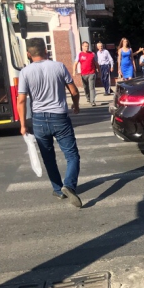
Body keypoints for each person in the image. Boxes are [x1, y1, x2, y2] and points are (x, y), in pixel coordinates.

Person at [17, 38, 83, 208]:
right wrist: (75, 105)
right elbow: (74, 91)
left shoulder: (25, 72)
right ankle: (69, 185)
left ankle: (58, 189)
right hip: (60, 117)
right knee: (72, 155)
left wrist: (23, 125)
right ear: (46, 51)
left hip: (39, 119)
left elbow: (21, 100)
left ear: (28, 54)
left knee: (48, 158)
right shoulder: (59, 66)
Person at [73, 41, 99, 107]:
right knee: (85, 87)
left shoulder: (92, 54)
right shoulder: (79, 54)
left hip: (91, 73)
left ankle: (92, 101)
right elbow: (75, 63)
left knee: (91, 87)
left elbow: (96, 63)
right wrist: (74, 71)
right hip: (83, 74)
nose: (86, 47)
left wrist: (98, 70)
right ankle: (88, 97)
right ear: (82, 46)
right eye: (85, 46)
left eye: (87, 46)